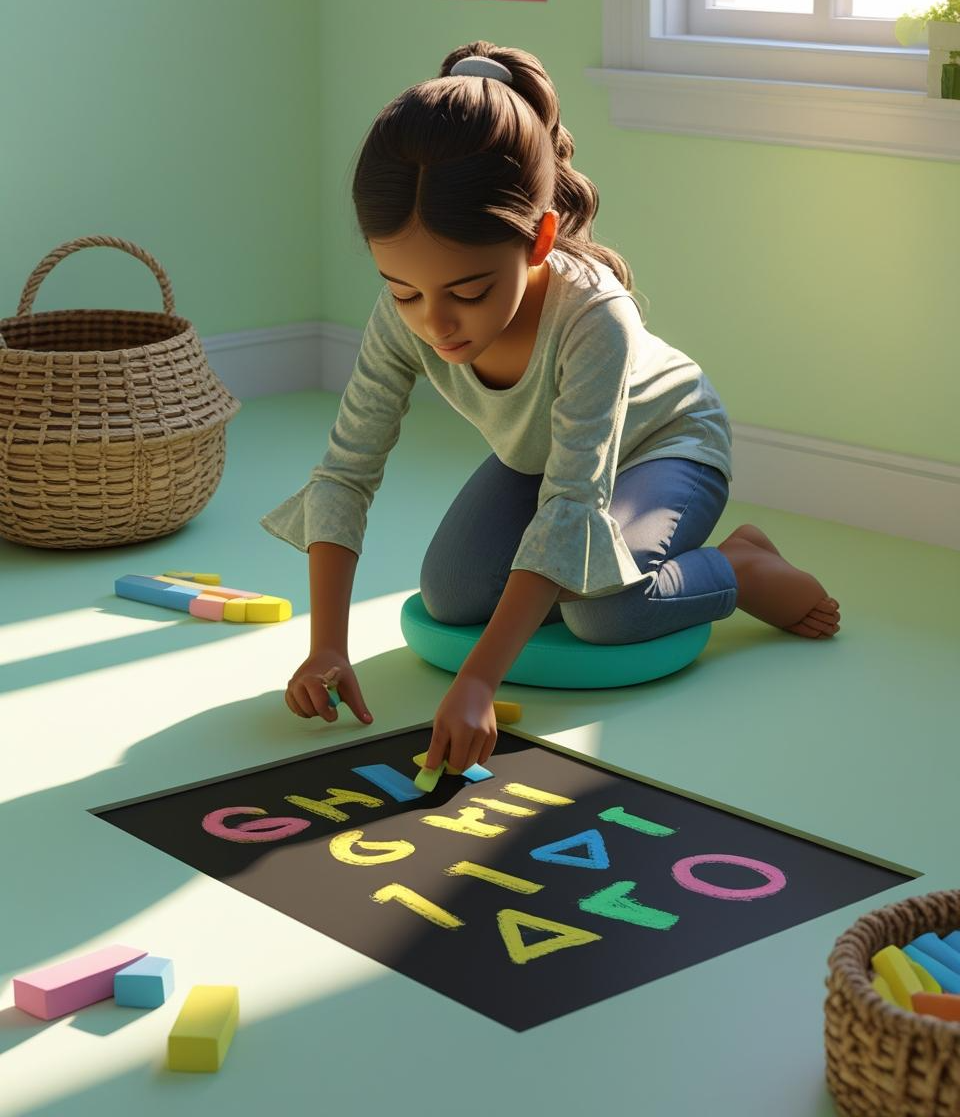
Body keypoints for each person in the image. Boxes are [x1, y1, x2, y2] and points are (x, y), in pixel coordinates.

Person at [261, 41, 841, 775]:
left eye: (467, 292)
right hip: (545, 457)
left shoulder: (595, 316)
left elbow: (573, 500)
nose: (435, 323)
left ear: (537, 239)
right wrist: (328, 646)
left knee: (602, 612)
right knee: (450, 595)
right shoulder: (402, 315)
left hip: (665, 445)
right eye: (404, 290)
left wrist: (478, 679)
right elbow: (346, 472)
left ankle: (741, 567)